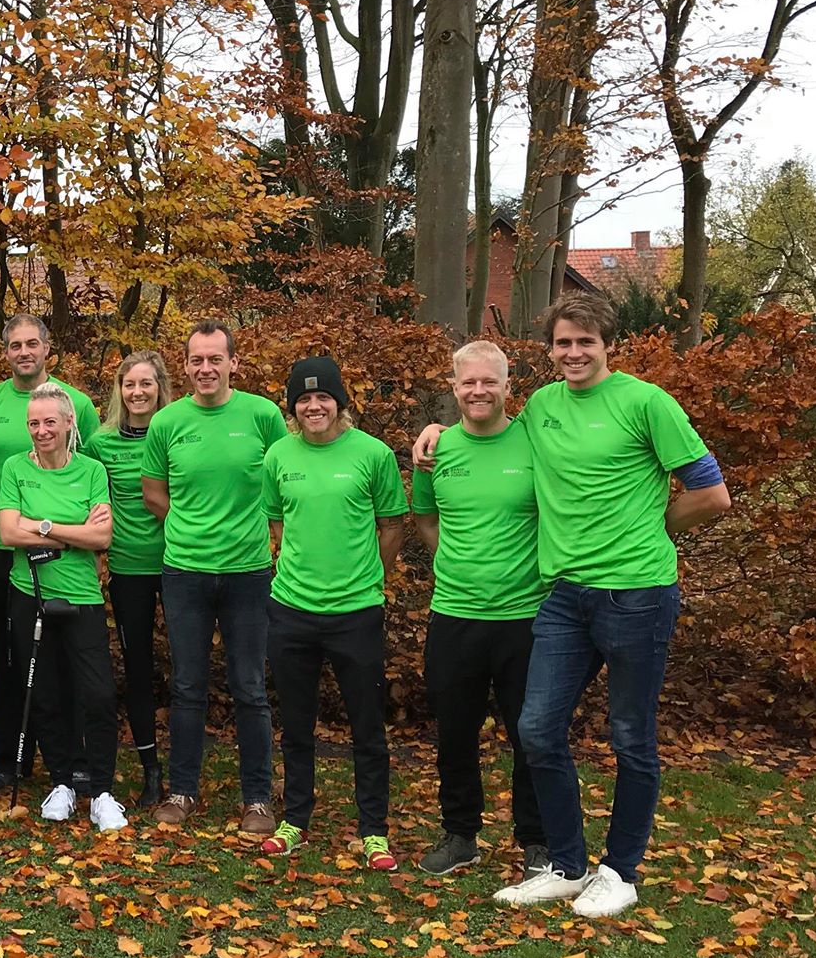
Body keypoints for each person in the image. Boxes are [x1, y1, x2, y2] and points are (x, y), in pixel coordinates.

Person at [416, 294, 730, 918]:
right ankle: (564, 863)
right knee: (536, 728)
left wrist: (651, 527)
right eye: (563, 343)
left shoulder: (646, 403)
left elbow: (712, 493)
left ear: (608, 344)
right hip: (563, 597)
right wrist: (434, 431)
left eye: (585, 342)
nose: (574, 353)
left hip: (636, 594)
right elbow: (484, 432)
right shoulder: (543, 408)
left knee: (630, 735)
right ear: (550, 350)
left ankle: (621, 869)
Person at [258, 355, 407, 870]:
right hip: (291, 611)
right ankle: (295, 819)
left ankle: (374, 831)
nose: (314, 406)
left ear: (341, 403)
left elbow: (392, 524)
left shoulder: (373, 454)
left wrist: (371, 576)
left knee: (368, 727)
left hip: (356, 612)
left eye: (323, 397)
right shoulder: (278, 455)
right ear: (293, 408)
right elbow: (276, 523)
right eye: (303, 399)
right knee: (297, 725)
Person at [141, 321, 288, 834]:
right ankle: (181, 791)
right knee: (187, 685)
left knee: (249, 687)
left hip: (249, 571)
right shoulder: (168, 422)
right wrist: (191, 528)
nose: (206, 369)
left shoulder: (263, 415)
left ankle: (258, 798)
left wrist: (270, 535)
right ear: (184, 366)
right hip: (184, 571)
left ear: (232, 363)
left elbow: (285, 481)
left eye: (215, 359)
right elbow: (154, 491)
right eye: (196, 360)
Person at [409, 341, 548, 879]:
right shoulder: (435, 452)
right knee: (455, 732)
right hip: (455, 615)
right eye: (468, 382)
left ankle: (535, 840)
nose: (478, 391)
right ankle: (461, 834)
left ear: (508, 386)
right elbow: (425, 520)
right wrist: (462, 564)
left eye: (489, 381)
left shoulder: (535, 442)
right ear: (454, 387)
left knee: (530, 734)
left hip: (527, 617)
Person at [0, 314, 99, 786]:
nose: (24, 352)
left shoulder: (76, 403)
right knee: (10, 657)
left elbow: (88, 474)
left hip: (67, 557)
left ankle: (75, 760)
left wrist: (62, 532)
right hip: (4, 550)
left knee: (67, 663)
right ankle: (11, 756)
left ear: (47, 348)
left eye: (32, 344)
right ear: (6, 352)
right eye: (15, 345)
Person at [0, 384, 127, 832]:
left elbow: (102, 539)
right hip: (27, 593)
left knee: (98, 694)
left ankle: (103, 790)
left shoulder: (91, 470)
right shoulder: (15, 467)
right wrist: (72, 531)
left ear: (70, 422)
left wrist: (44, 525)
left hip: (82, 597)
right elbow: (9, 532)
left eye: (50, 421)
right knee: (46, 693)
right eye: (34, 423)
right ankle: (62, 782)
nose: (41, 430)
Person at [84, 351, 171, 810]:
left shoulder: (176, 432)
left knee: (188, 671)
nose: (137, 393)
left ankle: (184, 772)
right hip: (128, 568)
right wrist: (98, 553)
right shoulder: (100, 444)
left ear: (161, 388)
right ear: (119, 391)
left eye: (146, 384)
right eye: (128, 384)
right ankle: (150, 771)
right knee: (137, 669)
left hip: (181, 563)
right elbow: (89, 501)